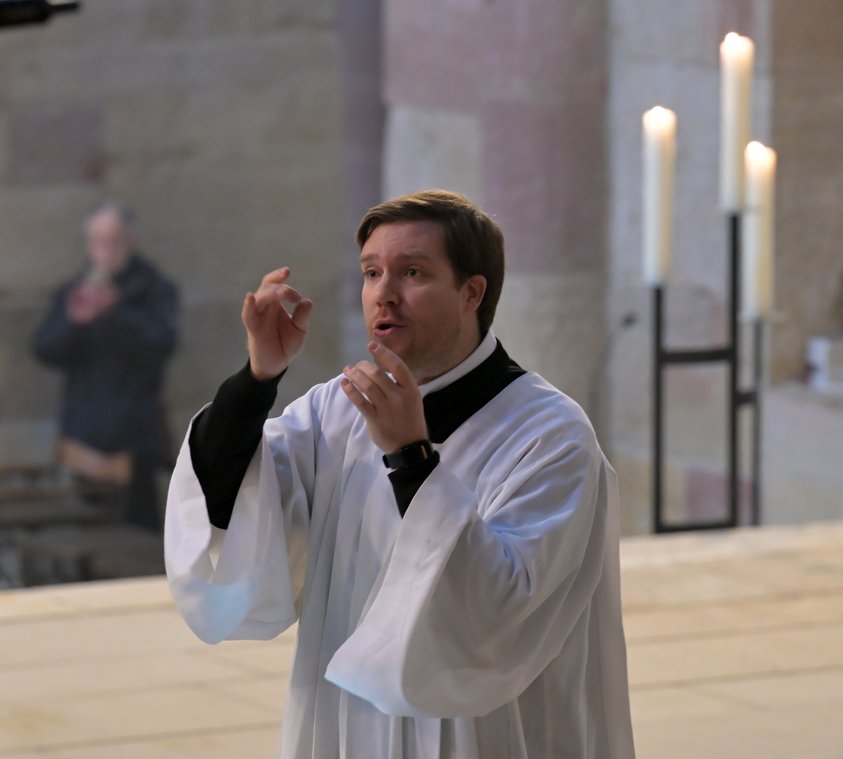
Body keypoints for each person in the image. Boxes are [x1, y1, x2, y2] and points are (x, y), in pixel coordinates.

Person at [165, 190, 635, 757]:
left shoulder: (549, 434)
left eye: (412, 272)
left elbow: (497, 620)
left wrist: (410, 458)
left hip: (488, 733)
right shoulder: (336, 410)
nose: (383, 294)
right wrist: (258, 378)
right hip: (344, 725)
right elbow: (230, 503)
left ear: (472, 292)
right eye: (371, 273)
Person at [34, 202, 178, 533]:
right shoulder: (76, 289)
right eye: (97, 241)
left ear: (130, 241)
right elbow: (45, 349)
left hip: (134, 434)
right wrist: (74, 321)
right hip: (84, 431)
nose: (104, 250)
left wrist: (115, 312)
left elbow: (162, 343)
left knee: (138, 532)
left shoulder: (153, 288)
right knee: (83, 530)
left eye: (112, 241)